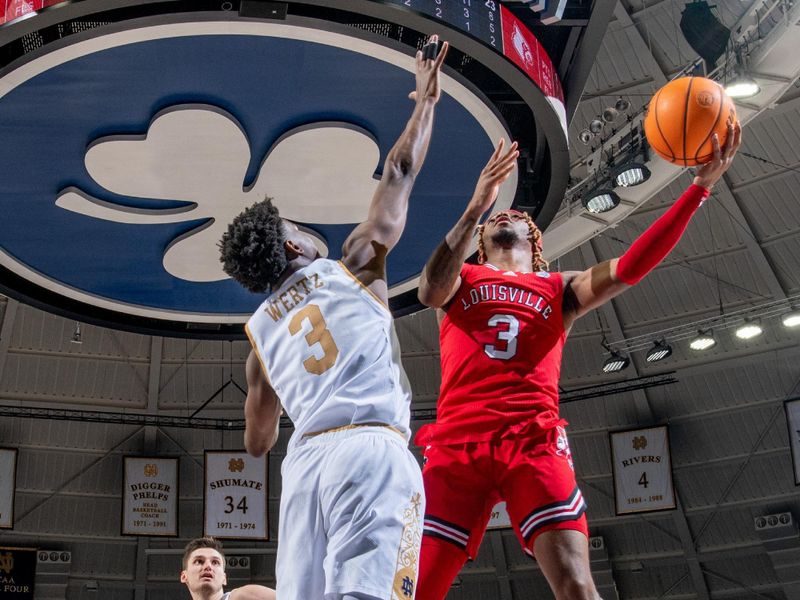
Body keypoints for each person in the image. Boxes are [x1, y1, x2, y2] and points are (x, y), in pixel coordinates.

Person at [414, 123, 742, 600]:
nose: (507, 213)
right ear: (482, 239)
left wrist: (700, 189)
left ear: (535, 241)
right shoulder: (462, 276)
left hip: (533, 442)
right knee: (415, 590)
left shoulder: (560, 289)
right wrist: (472, 210)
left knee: (576, 587)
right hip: (457, 446)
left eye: (517, 215)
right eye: (495, 216)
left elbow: (630, 267)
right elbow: (428, 291)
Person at [218, 36, 450, 600]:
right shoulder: (355, 266)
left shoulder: (260, 344)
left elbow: (257, 443)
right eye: (297, 227)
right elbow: (398, 170)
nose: (305, 229)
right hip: (368, 449)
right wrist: (426, 102)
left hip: (303, 471)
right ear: (294, 249)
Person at [180, 536, 275, 600]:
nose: (208, 566)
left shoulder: (243, 596)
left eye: (215, 562)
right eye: (199, 561)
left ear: (224, 578)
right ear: (184, 576)